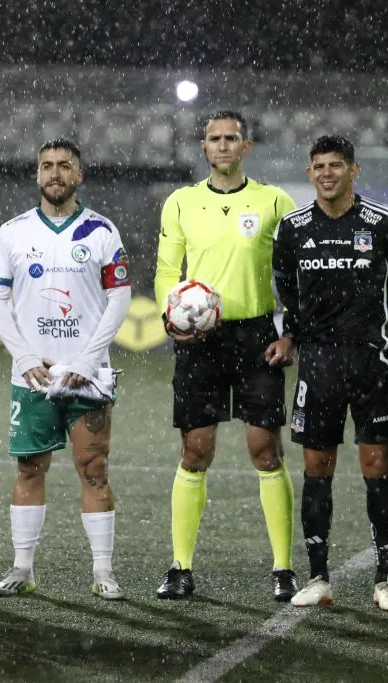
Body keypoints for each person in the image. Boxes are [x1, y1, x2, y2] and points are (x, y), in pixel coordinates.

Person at [154, 111, 298, 602]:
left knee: (265, 450)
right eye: (213, 139)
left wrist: (291, 331)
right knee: (195, 452)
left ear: (246, 146)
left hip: (257, 336)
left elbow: (296, 273)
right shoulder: (180, 202)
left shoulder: (275, 201)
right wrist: (172, 318)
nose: (222, 146)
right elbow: (166, 270)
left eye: (230, 139)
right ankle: (180, 567)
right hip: (200, 341)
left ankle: (282, 568)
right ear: (203, 147)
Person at [272, 135, 388, 612]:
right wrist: (294, 333)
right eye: (319, 166)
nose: (327, 173)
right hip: (318, 365)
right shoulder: (293, 228)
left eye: (337, 165)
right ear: (310, 172)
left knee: (377, 468)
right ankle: (318, 578)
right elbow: (285, 290)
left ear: (354, 170)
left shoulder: (383, 223)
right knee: (318, 469)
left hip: (371, 365)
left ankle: (385, 581)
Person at [0, 138, 131, 600]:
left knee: (94, 469)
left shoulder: (102, 231)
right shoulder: (12, 232)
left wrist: (88, 360)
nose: (55, 173)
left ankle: (104, 572)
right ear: (36, 175)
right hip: (33, 376)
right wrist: (24, 356)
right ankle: (22, 569)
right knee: (30, 468)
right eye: (46, 165)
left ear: (78, 175)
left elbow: (120, 298)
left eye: (64, 166)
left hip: (88, 378)